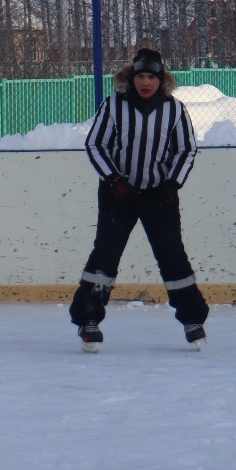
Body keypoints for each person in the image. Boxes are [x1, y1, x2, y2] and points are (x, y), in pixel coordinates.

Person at [69, 47, 209, 351]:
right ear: (131, 78)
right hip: (118, 197)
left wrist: (171, 185)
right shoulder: (113, 106)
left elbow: (186, 150)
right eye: (141, 76)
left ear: (162, 80)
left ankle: (192, 319)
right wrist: (115, 181)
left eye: (152, 77)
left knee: (173, 257)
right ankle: (88, 319)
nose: (146, 82)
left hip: (160, 198)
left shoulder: (175, 110)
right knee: (105, 256)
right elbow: (95, 145)